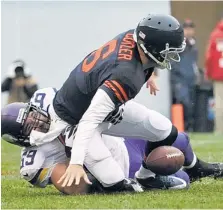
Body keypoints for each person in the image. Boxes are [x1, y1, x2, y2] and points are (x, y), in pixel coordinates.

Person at [38, 14, 186, 190]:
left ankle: (148, 178)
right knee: (115, 183)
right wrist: (76, 163)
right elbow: (89, 119)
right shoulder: (125, 76)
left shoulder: (134, 37)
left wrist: (149, 74)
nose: (170, 57)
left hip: (102, 104)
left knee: (165, 130)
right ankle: (82, 167)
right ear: (151, 48)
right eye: (167, 53)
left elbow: (128, 62)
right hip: (76, 120)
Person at [2, 87, 223, 195]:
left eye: (32, 113)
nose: (38, 120)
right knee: (174, 169)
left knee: (177, 138)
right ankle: (172, 175)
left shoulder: (47, 98)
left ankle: (199, 168)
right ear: (21, 140)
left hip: (118, 138)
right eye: (30, 125)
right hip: (118, 167)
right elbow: (71, 183)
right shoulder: (35, 159)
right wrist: (103, 184)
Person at [170, 19, 198, 131]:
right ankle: (182, 127)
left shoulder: (194, 44)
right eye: (186, 28)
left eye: (191, 28)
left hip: (190, 78)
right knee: (183, 102)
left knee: (191, 105)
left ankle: (189, 127)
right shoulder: (178, 43)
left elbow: (193, 62)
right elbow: (173, 61)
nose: (189, 31)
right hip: (180, 78)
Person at [205, 17, 223, 134]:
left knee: (220, 103)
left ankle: (220, 130)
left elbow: (209, 57)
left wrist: (209, 73)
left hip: (218, 75)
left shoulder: (215, 35)